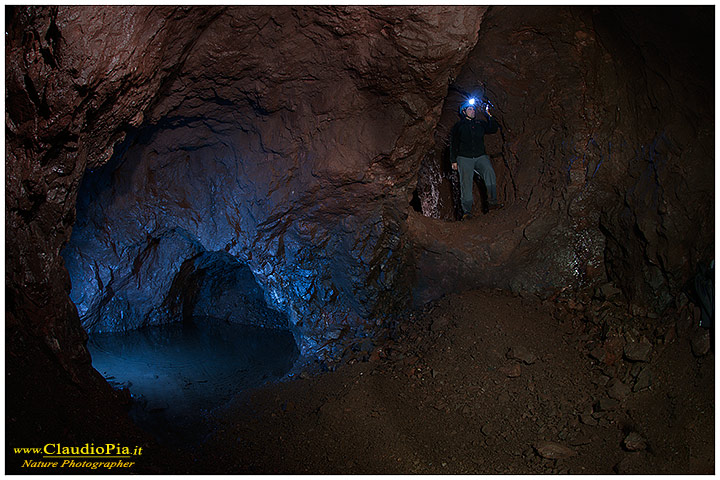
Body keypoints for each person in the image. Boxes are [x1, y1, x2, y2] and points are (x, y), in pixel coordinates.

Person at [450, 98, 503, 220]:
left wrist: (489, 115)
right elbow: (454, 143)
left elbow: (493, 129)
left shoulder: (479, 124)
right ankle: (467, 212)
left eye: (473, 109)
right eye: (470, 109)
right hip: (464, 158)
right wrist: (453, 160)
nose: (473, 111)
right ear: (464, 111)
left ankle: (492, 202)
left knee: (489, 171)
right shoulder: (458, 126)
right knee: (466, 183)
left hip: (480, 156)